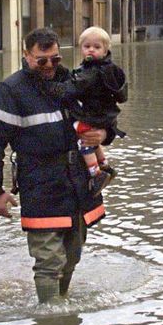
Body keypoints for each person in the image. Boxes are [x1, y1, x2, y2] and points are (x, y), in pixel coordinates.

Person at [0, 28, 115, 303]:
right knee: (49, 260)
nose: (50, 66)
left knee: (72, 255)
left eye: (55, 59)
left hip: (77, 184)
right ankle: (50, 317)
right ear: (26, 56)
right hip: (40, 185)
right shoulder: (11, 92)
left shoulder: (74, 82)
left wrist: (104, 134)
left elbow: (104, 112)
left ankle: (62, 313)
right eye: (42, 60)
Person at [43, 26, 127, 197]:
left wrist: (50, 88)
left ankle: (96, 174)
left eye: (96, 47)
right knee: (92, 137)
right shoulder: (109, 68)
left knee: (83, 138)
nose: (91, 50)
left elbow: (72, 88)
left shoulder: (91, 71)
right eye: (87, 46)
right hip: (103, 115)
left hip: (93, 115)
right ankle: (103, 163)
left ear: (105, 50)